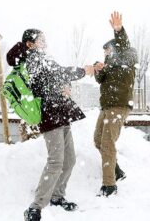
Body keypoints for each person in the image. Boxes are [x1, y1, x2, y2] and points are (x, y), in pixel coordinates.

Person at [7, 29, 95, 221]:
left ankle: (57, 196)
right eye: (41, 39)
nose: (45, 42)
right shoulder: (32, 58)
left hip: (61, 113)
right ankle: (35, 206)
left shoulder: (42, 57)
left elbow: (57, 77)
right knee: (56, 161)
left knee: (70, 159)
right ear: (30, 44)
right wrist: (83, 71)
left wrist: (67, 87)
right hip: (50, 115)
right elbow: (59, 72)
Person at [93, 11, 138, 197]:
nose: (106, 54)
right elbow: (100, 79)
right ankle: (116, 170)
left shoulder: (127, 57)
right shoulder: (110, 65)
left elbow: (124, 45)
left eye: (108, 51)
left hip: (118, 106)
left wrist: (118, 30)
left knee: (107, 143)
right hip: (106, 107)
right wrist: (98, 69)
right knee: (98, 140)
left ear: (116, 49)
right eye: (104, 52)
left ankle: (109, 185)